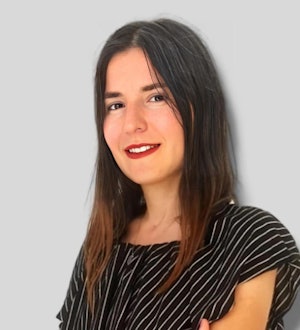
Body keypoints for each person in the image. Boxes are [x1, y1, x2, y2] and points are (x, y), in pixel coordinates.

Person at [57, 17, 300, 330]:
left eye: (156, 97)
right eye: (116, 105)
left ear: (198, 107)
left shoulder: (249, 236)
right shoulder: (99, 250)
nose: (132, 124)